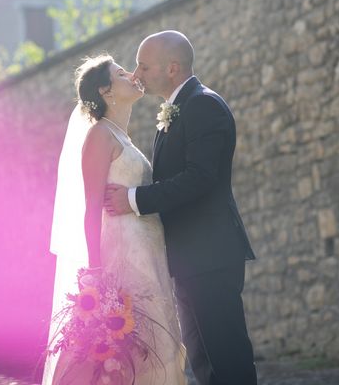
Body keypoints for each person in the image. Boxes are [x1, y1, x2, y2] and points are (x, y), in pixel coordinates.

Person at [104, 31, 257, 385]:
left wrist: (132, 199)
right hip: (189, 257)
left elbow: (199, 178)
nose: (136, 73)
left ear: (172, 68)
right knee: (204, 362)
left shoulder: (203, 105)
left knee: (227, 357)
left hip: (211, 254)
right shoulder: (180, 107)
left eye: (144, 65)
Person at [43, 54, 185, 385]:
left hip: (149, 257)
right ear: (106, 90)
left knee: (158, 346)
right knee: (126, 356)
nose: (133, 75)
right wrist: (95, 276)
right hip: (121, 263)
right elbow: (90, 209)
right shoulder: (99, 136)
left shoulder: (123, 137)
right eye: (122, 73)